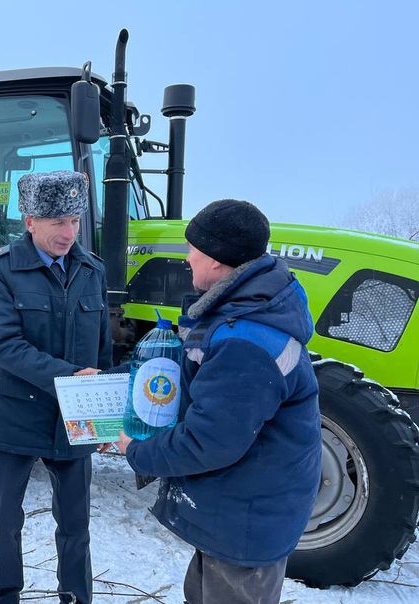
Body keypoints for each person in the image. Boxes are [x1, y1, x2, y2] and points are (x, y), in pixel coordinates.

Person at [117, 199, 322, 604]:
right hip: (239, 506)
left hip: (246, 522)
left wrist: (137, 450)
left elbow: (208, 441)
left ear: (215, 260)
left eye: (192, 248)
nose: (187, 257)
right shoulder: (250, 309)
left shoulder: (245, 342)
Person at [0, 170, 113, 604]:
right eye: (58, 222)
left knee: (76, 522)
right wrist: (69, 378)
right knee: (5, 519)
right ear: (30, 221)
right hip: (14, 414)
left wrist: (107, 417)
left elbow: (102, 348)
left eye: (74, 220)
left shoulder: (91, 271)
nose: (69, 232)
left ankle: (76, 597)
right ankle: (5, 596)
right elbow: (4, 346)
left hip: (73, 418)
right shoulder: (1, 271)